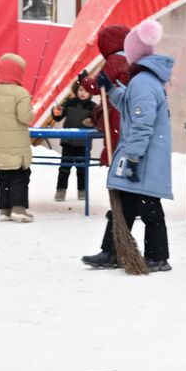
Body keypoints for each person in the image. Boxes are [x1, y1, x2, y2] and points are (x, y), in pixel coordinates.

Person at [81, 19, 175, 271]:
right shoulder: (143, 80)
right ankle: (113, 250)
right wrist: (112, 90)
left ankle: (157, 257)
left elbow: (142, 123)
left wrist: (132, 157)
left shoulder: (143, 82)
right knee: (123, 203)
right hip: (142, 155)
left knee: (148, 207)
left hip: (143, 157)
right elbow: (130, 107)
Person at [0, 53, 35, 222]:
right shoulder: (21, 93)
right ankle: (19, 209)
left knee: (3, 177)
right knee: (20, 176)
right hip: (17, 146)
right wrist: (30, 109)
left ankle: (5, 211)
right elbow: (25, 117)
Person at [89, 25, 131, 167]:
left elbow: (97, 86)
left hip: (115, 108)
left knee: (114, 145)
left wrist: (84, 80)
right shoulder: (133, 57)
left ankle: (111, 170)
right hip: (131, 108)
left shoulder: (115, 60)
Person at [53, 74, 97, 201]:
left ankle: (82, 191)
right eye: (81, 90)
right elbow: (58, 117)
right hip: (68, 141)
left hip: (84, 143)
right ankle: (60, 190)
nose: (83, 93)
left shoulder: (93, 107)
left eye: (86, 90)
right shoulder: (69, 103)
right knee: (64, 168)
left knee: (82, 169)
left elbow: (98, 121)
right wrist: (56, 112)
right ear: (76, 90)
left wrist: (92, 122)